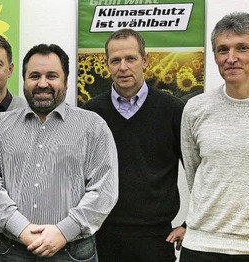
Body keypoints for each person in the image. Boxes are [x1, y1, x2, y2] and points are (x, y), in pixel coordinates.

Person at [0, 44, 118, 261]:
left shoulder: (93, 126)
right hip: (13, 250)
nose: (42, 84)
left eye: (52, 76)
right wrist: (21, 228)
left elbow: (104, 189)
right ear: (24, 81)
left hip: (73, 251)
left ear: (66, 81)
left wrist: (64, 231)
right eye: (34, 76)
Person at [81, 28, 186, 261]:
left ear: (145, 61)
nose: (123, 67)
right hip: (102, 237)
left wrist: (191, 223)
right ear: (107, 65)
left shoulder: (172, 110)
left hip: (156, 239)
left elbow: (199, 172)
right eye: (115, 60)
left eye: (131, 58)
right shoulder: (90, 114)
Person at [180, 12, 249, 260]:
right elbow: (194, 171)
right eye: (223, 50)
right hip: (203, 246)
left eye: (242, 48)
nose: (231, 58)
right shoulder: (196, 108)